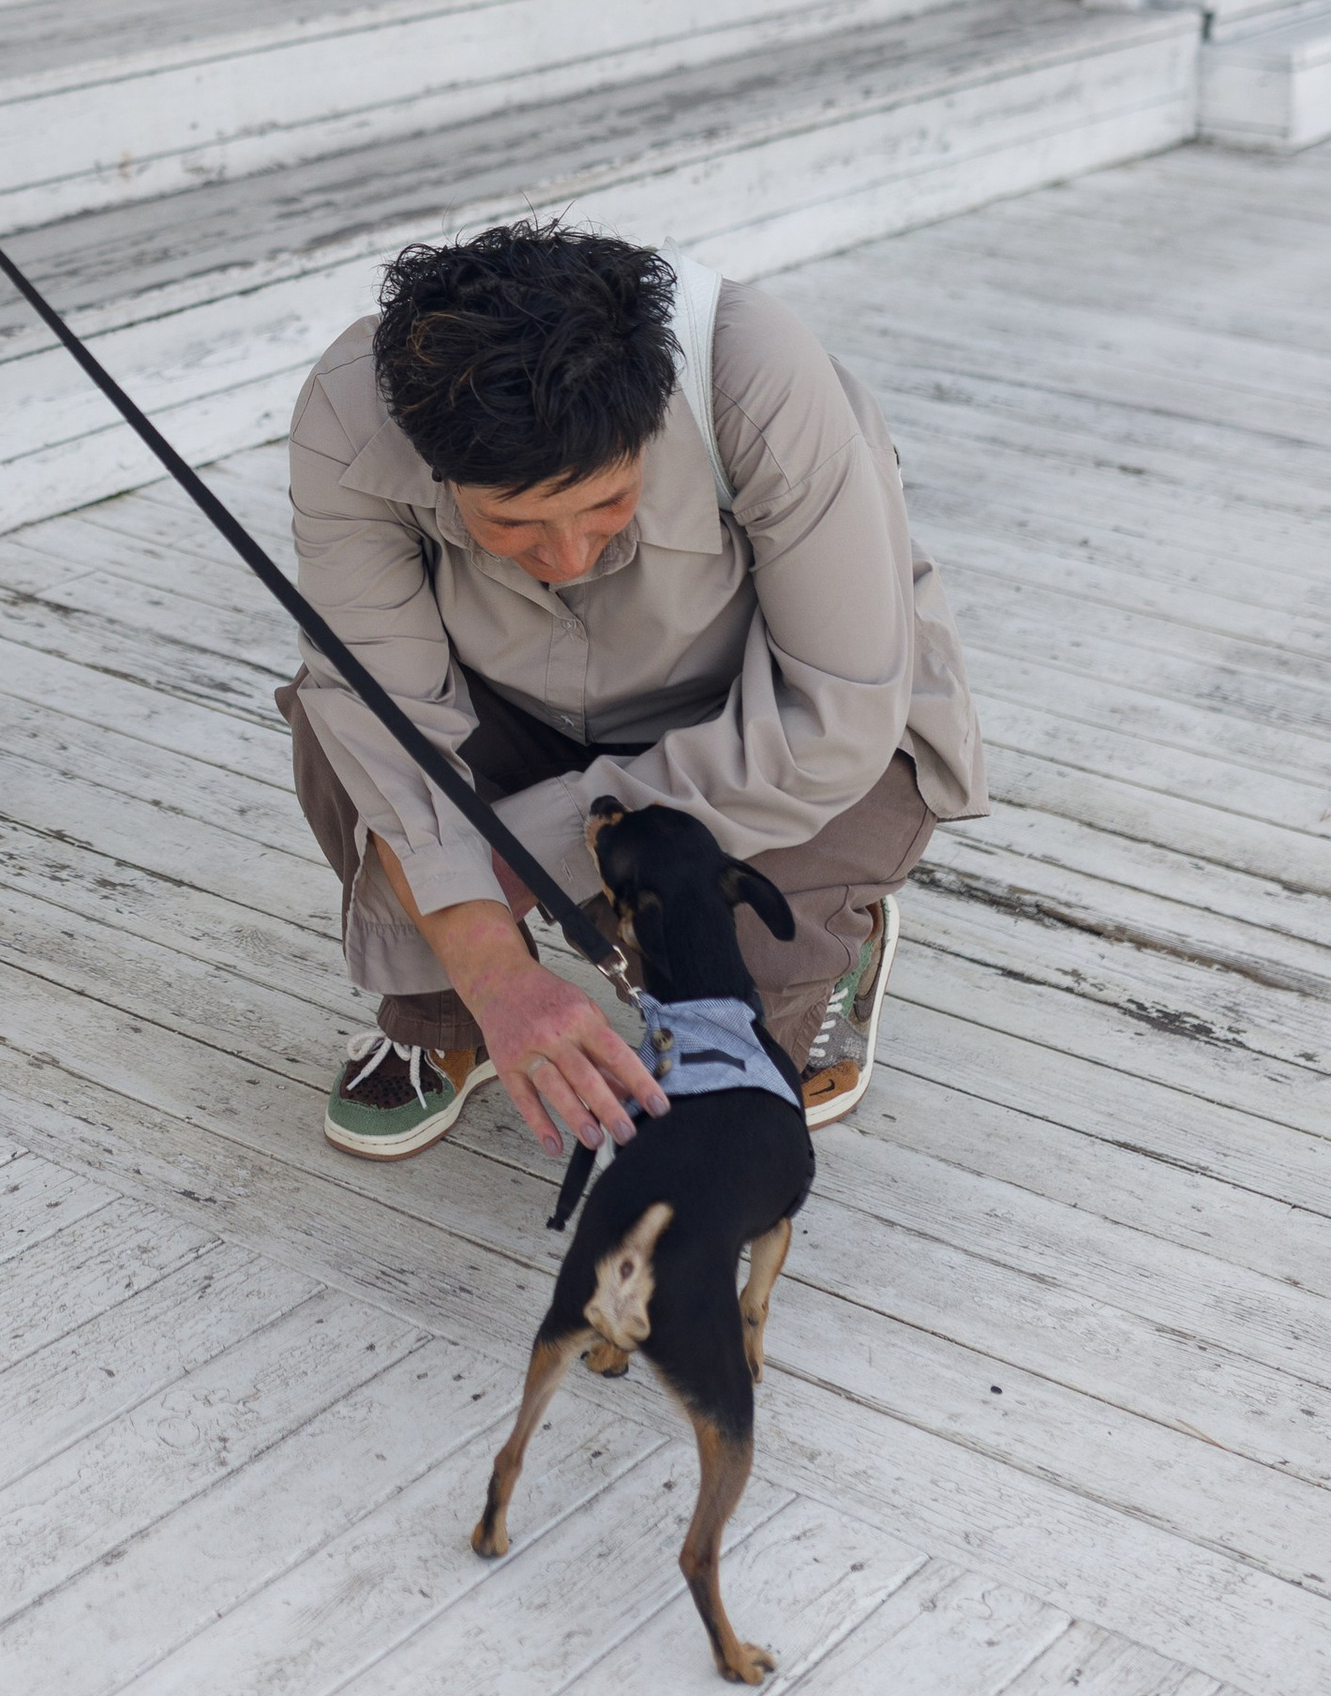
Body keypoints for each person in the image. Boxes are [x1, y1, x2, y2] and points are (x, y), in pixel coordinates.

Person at [282, 225, 981, 1169]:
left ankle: (830, 942)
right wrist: (491, 968)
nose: (569, 558)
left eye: (608, 504)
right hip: (515, 707)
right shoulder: (347, 411)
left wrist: (531, 853)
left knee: (725, 1023)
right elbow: (385, 715)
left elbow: (841, 712)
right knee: (340, 725)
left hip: (760, 728)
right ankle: (444, 1005)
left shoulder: (757, 373)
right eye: (512, 524)